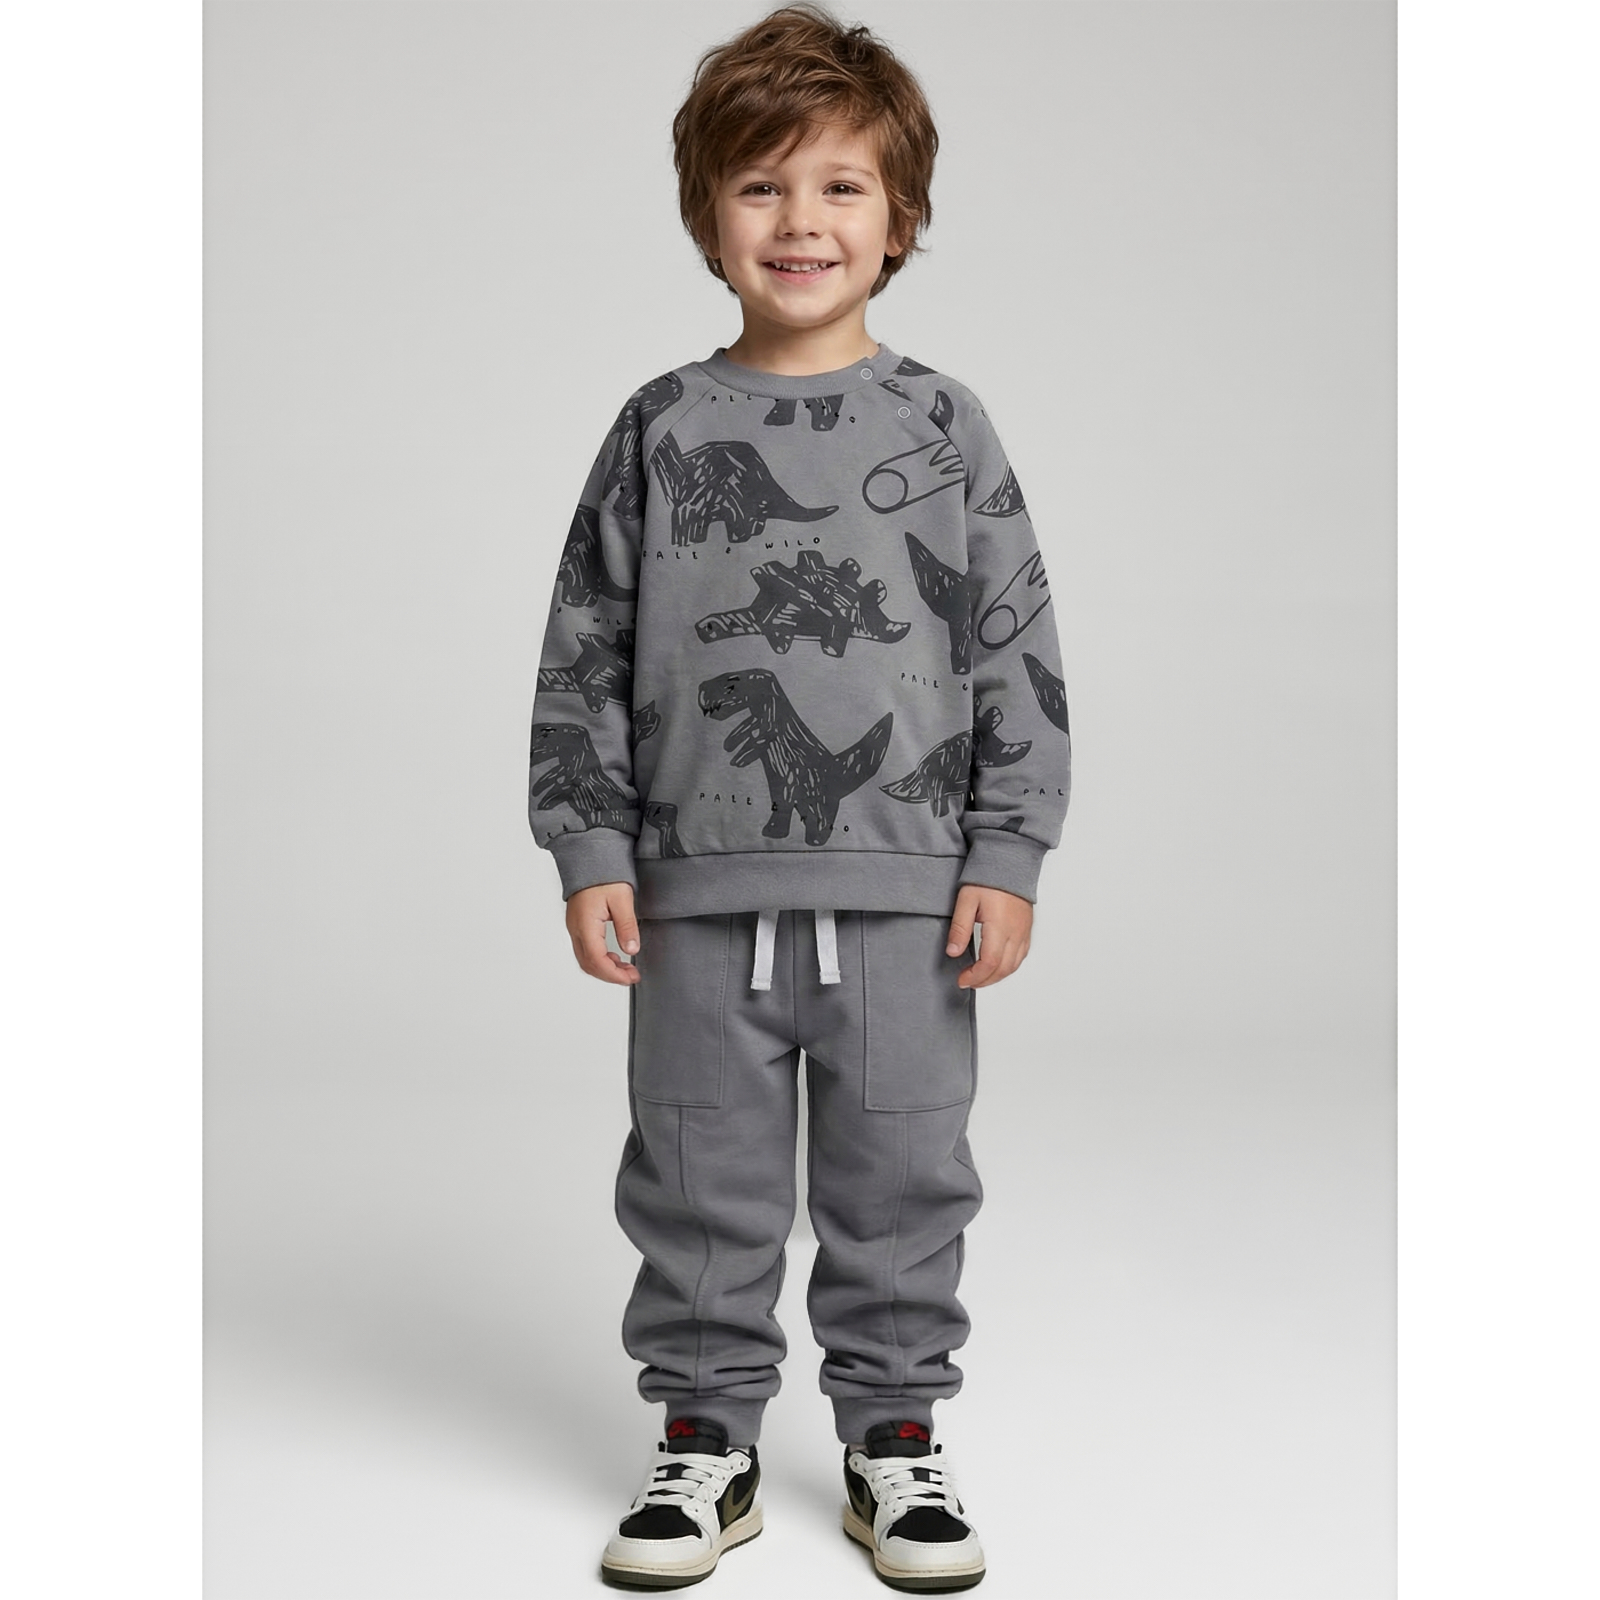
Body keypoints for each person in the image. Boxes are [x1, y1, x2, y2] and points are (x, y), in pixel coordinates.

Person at [526, 5, 1071, 1588]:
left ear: (900, 219)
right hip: (697, 892)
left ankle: (895, 1437)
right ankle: (706, 1438)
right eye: (761, 186)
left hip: (907, 889)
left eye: (841, 187)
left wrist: (1009, 853)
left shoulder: (944, 426)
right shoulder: (661, 426)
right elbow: (583, 645)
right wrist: (588, 844)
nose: (801, 221)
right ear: (709, 217)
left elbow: (1015, 644)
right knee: (697, 1172)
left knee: (906, 1169)